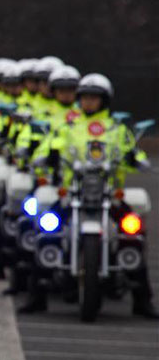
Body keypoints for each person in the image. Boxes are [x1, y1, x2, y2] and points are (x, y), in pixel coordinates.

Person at [20, 73, 158, 318]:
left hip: (109, 194)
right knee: (46, 230)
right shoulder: (68, 127)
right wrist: (44, 156)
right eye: (85, 97)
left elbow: (132, 150)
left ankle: (143, 300)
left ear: (104, 100)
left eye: (94, 97)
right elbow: (47, 147)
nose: (89, 101)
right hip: (73, 192)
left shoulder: (116, 129)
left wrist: (136, 159)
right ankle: (36, 297)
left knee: (133, 233)